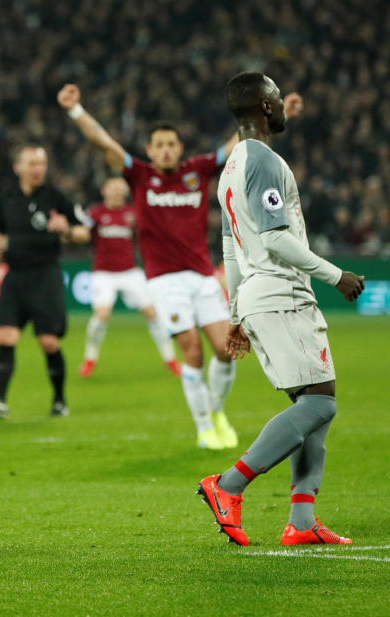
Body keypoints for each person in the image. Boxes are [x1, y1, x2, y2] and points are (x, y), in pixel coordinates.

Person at [57, 83, 302, 449]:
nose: (167, 149)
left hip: (202, 276)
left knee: (225, 350)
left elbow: (241, 145)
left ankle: (216, 411)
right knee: (193, 351)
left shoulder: (197, 171)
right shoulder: (139, 176)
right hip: (164, 281)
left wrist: (280, 117)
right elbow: (104, 144)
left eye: (172, 143)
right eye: (160, 145)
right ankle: (204, 425)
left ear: (180, 148)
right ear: (150, 150)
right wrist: (76, 110)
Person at [197, 72, 365, 546]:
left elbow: (232, 249)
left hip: (258, 293)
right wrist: (337, 275)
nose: (284, 103)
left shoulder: (231, 167)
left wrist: (235, 314)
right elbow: (274, 237)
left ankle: (303, 521)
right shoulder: (264, 162)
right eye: (277, 95)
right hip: (280, 292)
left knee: (316, 405)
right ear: (267, 106)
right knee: (320, 401)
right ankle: (228, 485)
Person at [0, 144, 85, 419]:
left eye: (42, 164)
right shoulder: (7, 198)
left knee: (48, 342)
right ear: (18, 168)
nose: (38, 169)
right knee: (6, 336)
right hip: (15, 276)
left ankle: (59, 400)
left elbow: (84, 232)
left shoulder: (55, 198)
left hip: (45, 275)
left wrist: (67, 229)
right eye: (32, 164)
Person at [74, 177, 179, 378]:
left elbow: (150, 235)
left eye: (120, 189)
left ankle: (170, 359)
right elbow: (83, 234)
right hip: (103, 273)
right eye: (113, 188)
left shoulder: (133, 213)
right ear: (104, 190)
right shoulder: (95, 213)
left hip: (129, 271)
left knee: (153, 313)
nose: (117, 192)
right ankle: (89, 359)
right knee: (102, 314)